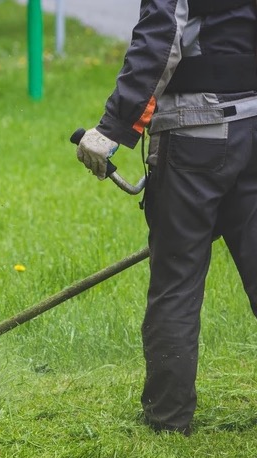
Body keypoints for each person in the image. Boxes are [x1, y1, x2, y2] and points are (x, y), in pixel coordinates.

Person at [76, 0, 257, 435]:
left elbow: (160, 38)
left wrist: (112, 129)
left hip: (196, 135)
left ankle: (168, 419)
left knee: (176, 280)